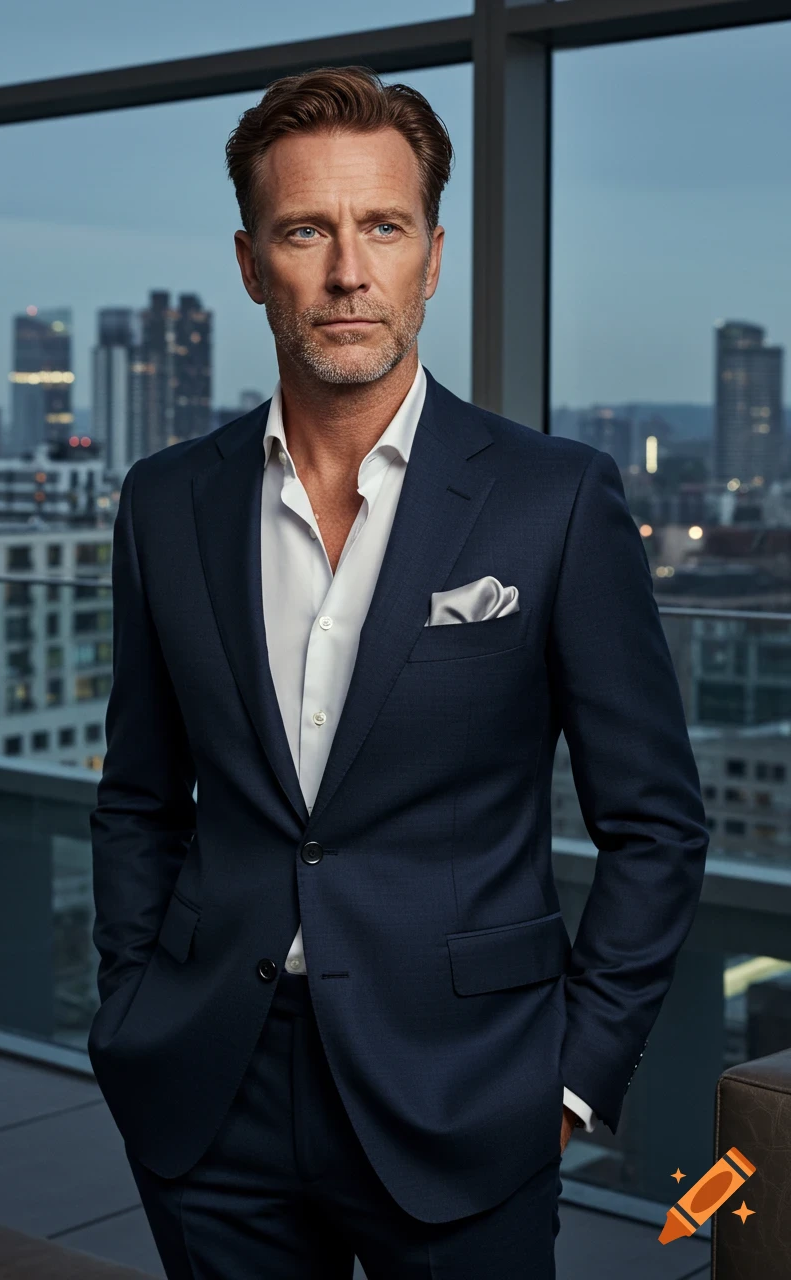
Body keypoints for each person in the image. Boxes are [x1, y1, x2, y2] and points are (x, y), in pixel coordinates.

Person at [87, 64, 709, 1279]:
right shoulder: (165, 501)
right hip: (210, 1086)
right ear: (250, 259)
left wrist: (573, 1083)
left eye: (381, 226)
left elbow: (655, 824)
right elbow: (139, 799)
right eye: (304, 229)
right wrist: (129, 1014)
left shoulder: (555, 499)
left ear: (431, 253)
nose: (345, 271)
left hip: (470, 1087)